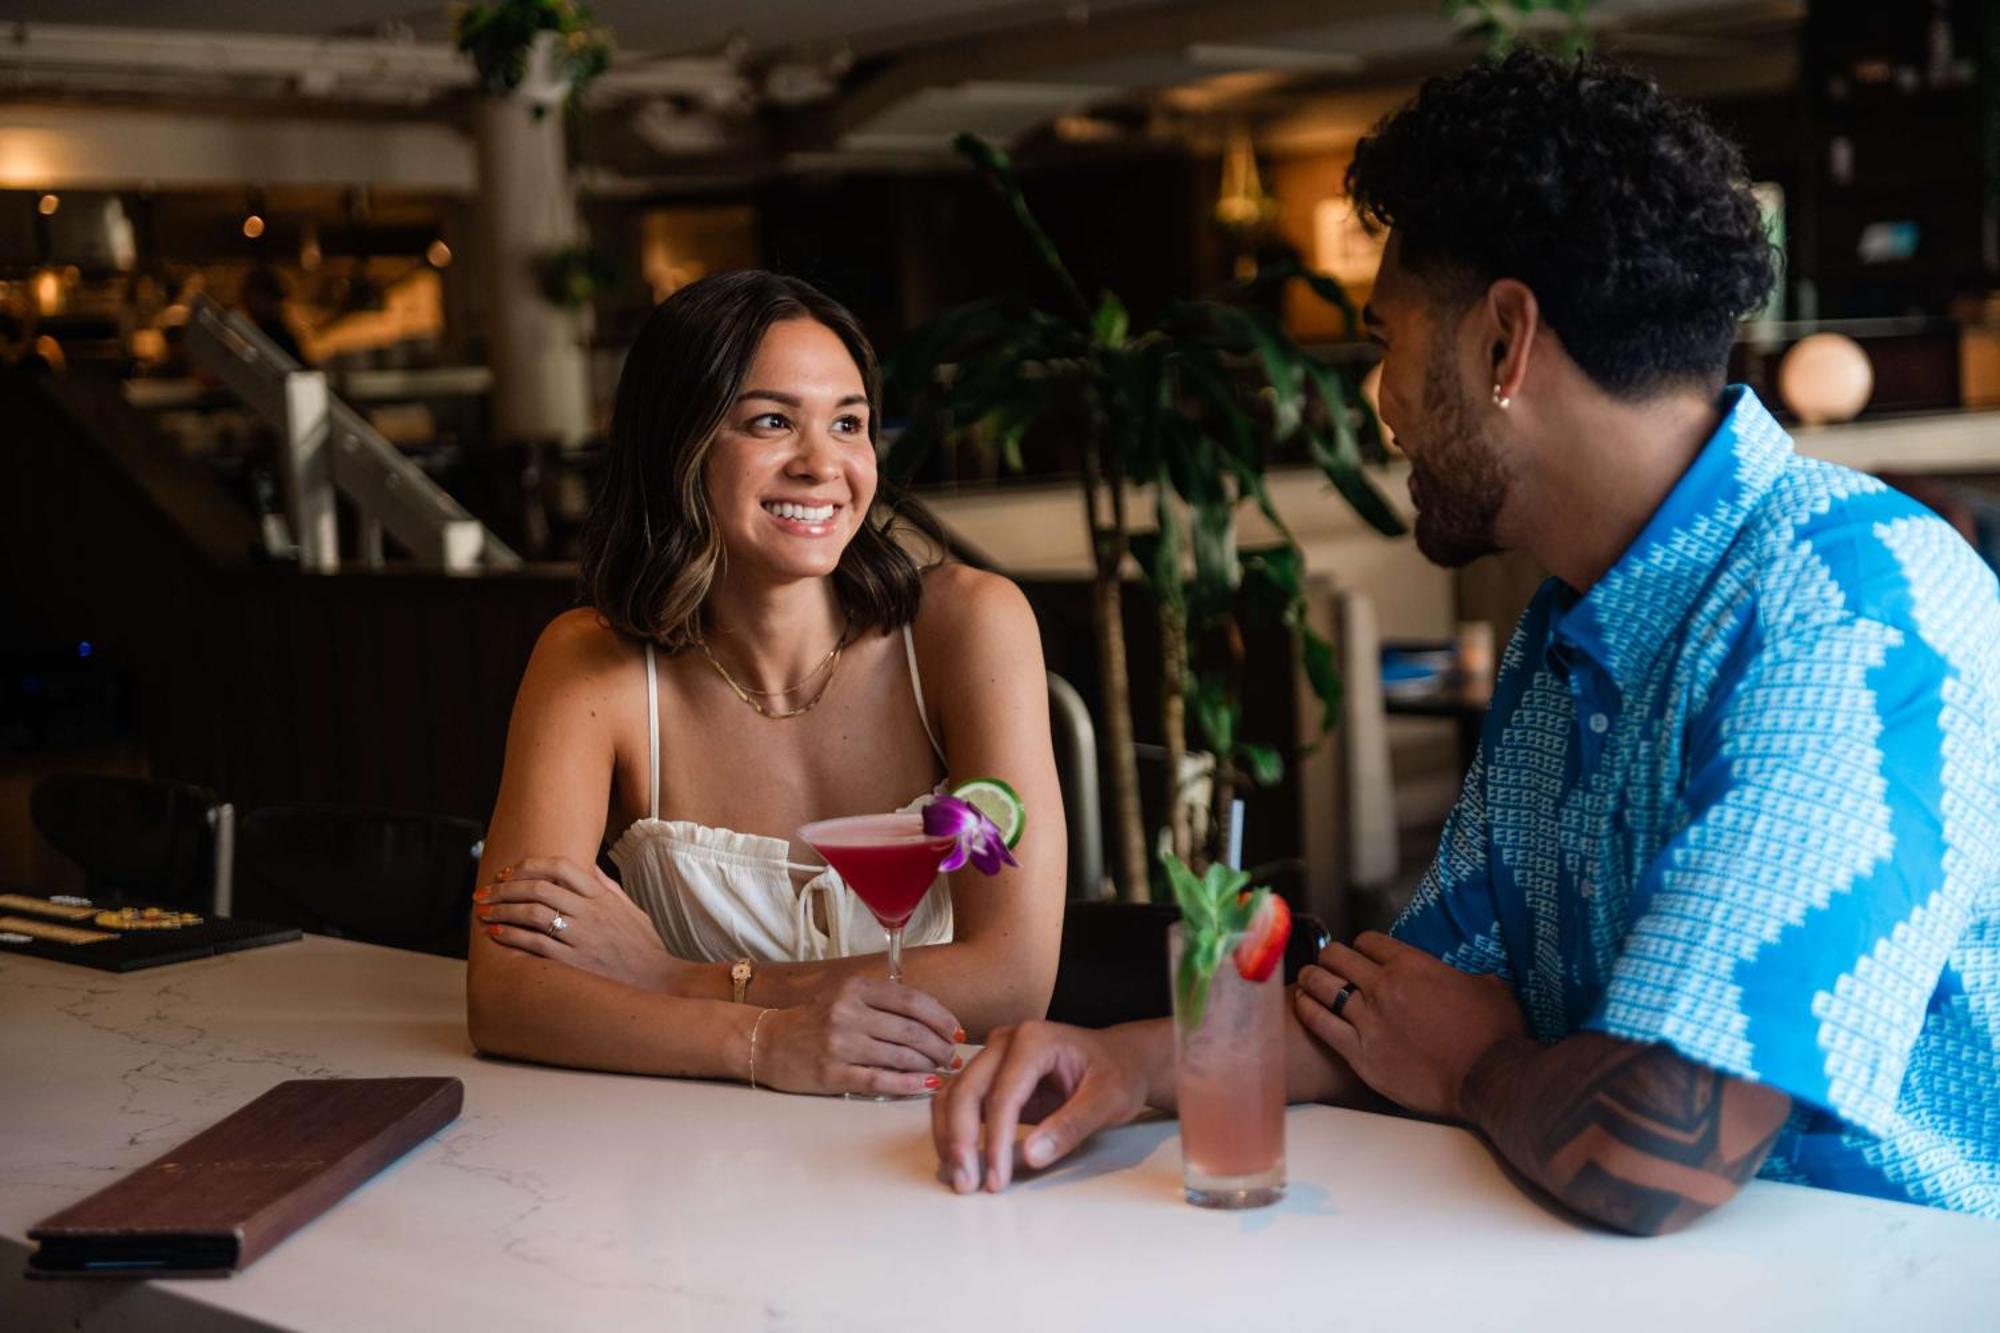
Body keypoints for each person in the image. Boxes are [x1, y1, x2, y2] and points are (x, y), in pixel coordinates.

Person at [932, 50, 2000, 1230]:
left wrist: (1471, 1069)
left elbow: (1650, 1152)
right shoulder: (1570, 625)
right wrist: (1122, 1063)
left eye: (1386, 337)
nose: (1374, 397)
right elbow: (1400, 1009)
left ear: (1503, 341)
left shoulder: (1849, 604)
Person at [468, 271, 1065, 1097]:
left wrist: (678, 979)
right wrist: (763, 1043)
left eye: (848, 423)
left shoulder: (969, 627)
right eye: (772, 421)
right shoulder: (591, 666)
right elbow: (507, 996)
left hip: (922, 1137)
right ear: (678, 443)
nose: (823, 464)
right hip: (680, 1158)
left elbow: (1011, 980)